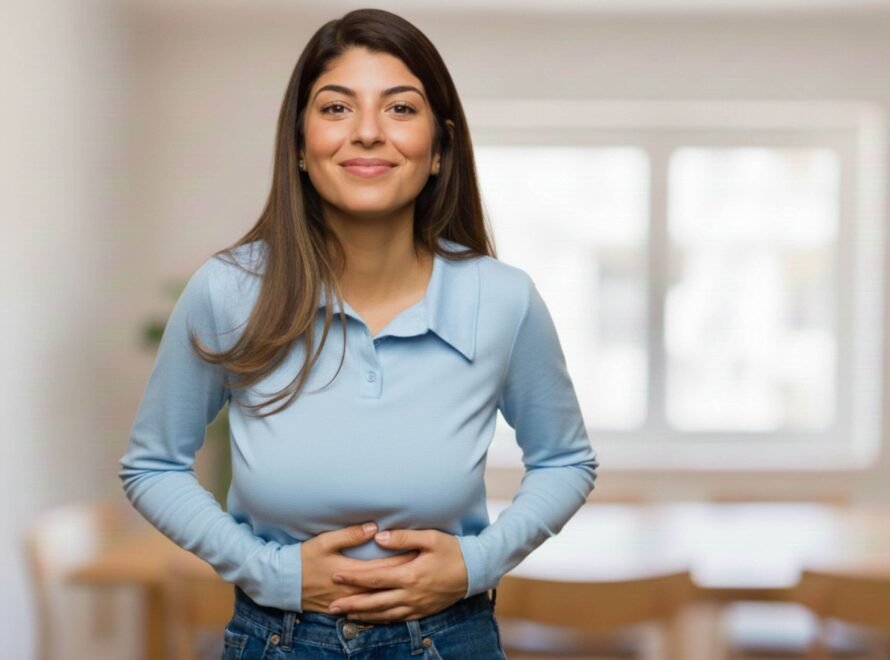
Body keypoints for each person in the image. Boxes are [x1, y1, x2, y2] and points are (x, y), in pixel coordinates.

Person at [118, 7, 598, 659]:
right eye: (337, 108)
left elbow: (566, 460)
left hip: (451, 639)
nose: (367, 133)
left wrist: (477, 562)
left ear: (439, 149)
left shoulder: (503, 298)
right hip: (274, 639)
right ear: (298, 144)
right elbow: (152, 466)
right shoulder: (228, 289)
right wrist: (271, 572)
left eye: (400, 109)